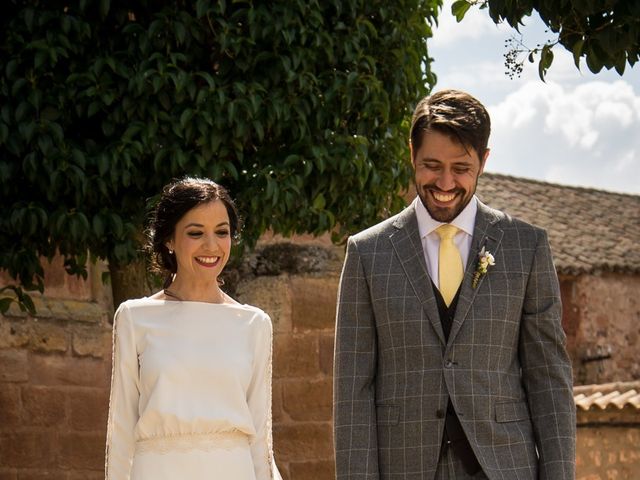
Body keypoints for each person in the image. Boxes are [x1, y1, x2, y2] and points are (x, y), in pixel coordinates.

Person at [333, 89, 576, 479]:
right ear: (411, 153)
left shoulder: (525, 247)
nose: (445, 182)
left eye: (461, 168)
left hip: (504, 467)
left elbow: (548, 378)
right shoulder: (368, 254)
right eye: (432, 165)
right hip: (404, 467)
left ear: (484, 160)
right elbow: (353, 391)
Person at [105, 176, 281, 480]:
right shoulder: (135, 318)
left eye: (222, 232)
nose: (211, 246)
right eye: (196, 233)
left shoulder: (254, 324)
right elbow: (120, 431)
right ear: (169, 240)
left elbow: (260, 440)